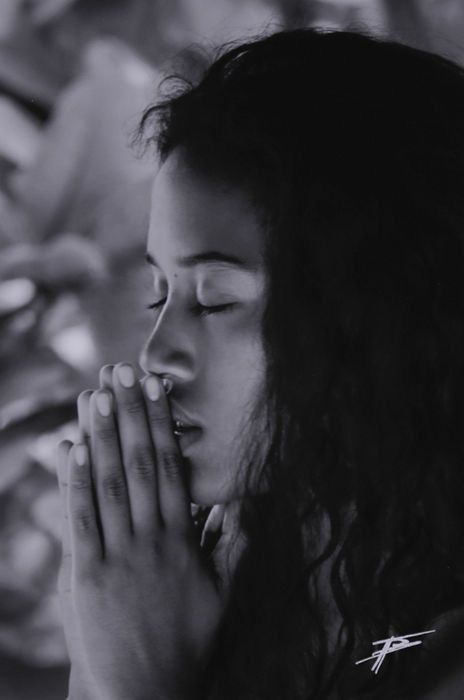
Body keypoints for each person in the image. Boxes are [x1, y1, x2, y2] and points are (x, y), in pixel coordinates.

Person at [56, 27, 464, 699]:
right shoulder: (235, 567)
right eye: (158, 293)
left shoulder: (428, 650)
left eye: (214, 301)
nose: (157, 354)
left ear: (373, 318)